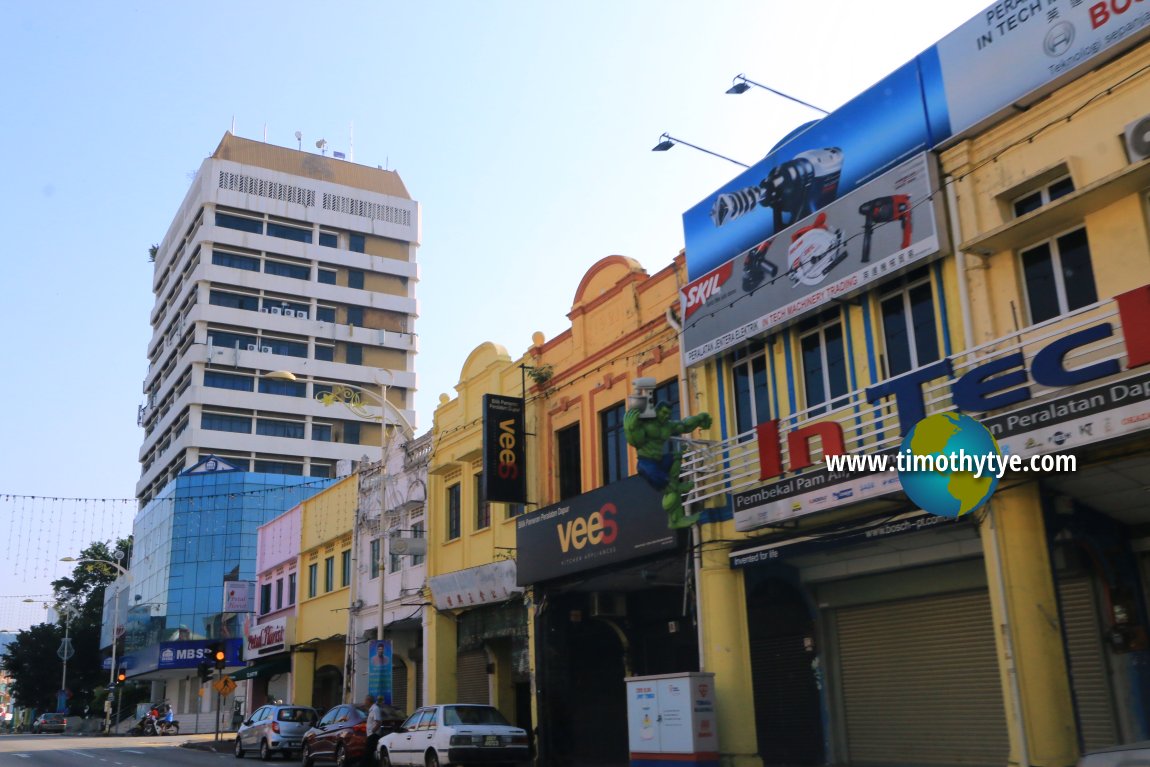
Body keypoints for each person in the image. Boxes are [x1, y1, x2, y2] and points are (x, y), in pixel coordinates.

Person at [624, 401, 712, 528]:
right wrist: (629, 428)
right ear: (657, 410)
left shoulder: (667, 426)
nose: (666, 416)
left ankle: (677, 508)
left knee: (676, 457)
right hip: (646, 463)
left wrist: (699, 418)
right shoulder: (647, 425)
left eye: (668, 414)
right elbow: (635, 440)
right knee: (669, 485)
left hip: (659, 461)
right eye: (664, 413)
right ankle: (676, 519)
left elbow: (684, 425)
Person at [364, 694, 383, 760]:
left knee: (367, 755)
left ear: (369, 701)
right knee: (370, 756)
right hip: (370, 736)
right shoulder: (371, 710)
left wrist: (373, 731)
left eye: (365, 700)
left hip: (373, 736)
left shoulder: (375, 709)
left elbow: (378, 722)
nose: (365, 702)